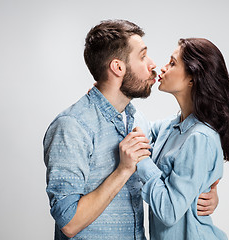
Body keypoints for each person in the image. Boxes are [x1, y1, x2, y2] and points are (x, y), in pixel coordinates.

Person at [43, 20, 219, 240]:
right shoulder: (72, 126)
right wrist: (123, 170)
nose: (153, 64)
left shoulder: (135, 119)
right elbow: (68, 223)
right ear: (118, 68)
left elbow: (185, 144)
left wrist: (204, 189)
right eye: (143, 56)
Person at [133, 38, 229, 239]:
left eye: (172, 63)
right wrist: (109, 96)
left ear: (192, 78)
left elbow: (169, 211)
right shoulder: (171, 126)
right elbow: (138, 129)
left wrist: (141, 160)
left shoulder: (200, 138)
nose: (162, 68)